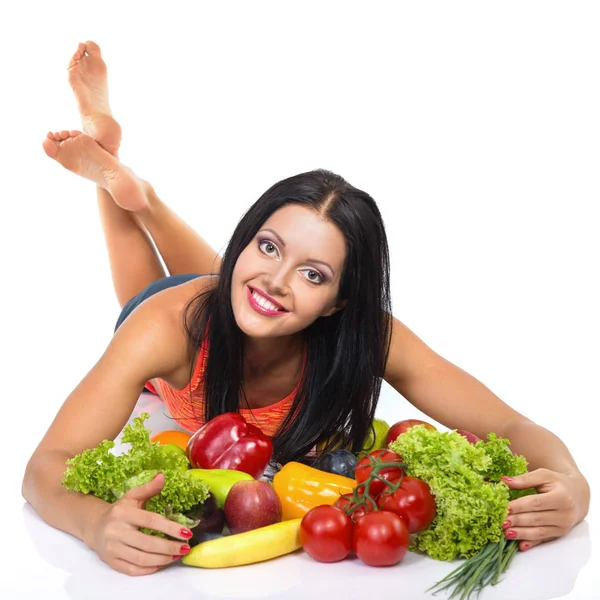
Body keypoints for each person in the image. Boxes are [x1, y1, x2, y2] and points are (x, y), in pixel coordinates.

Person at [23, 41, 590, 577]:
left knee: (240, 289)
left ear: (340, 300)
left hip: (225, 292)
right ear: (246, 235)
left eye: (313, 273)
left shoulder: (366, 333)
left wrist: (573, 484)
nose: (280, 277)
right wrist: (94, 522)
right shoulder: (165, 329)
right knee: (149, 296)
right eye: (267, 243)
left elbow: (510, 424)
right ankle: (122, 186)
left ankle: (137, 190)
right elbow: (45, 468)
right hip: (178, 310)